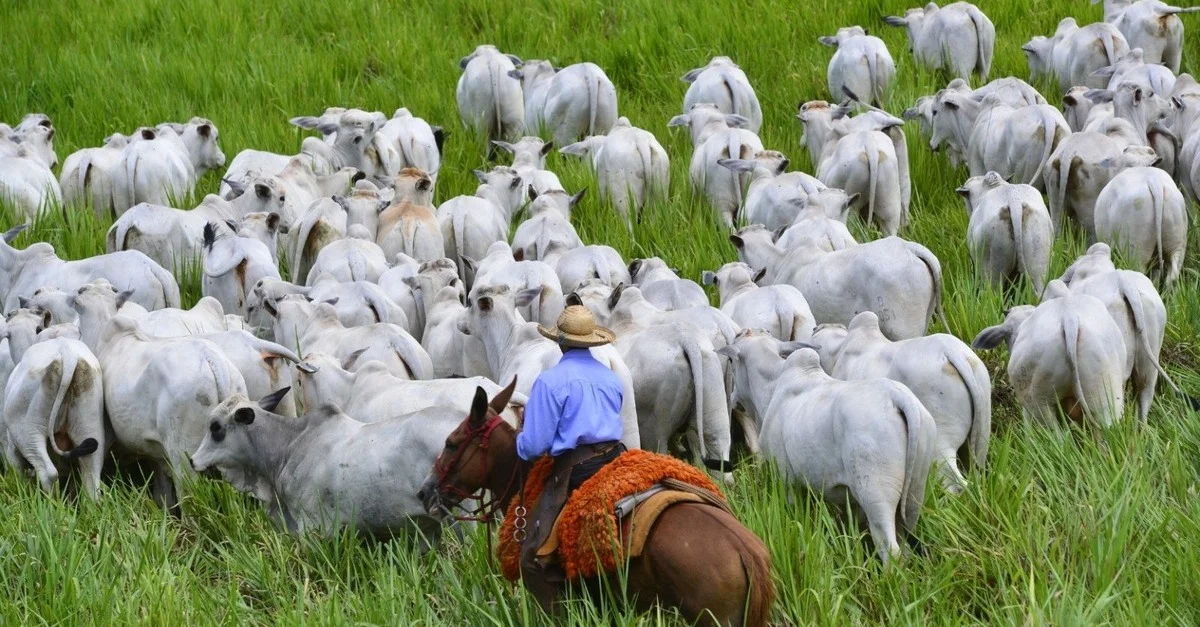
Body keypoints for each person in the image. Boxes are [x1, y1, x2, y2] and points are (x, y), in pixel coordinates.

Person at [516, 305, 626, 613]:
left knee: (531, 556)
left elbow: (534, 446)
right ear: (591, 340)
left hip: (577, 470)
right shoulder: (610, 377)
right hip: (616, 459)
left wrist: (519, 438)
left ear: (560, 342)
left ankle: (560, 615)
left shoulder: (550, 382)